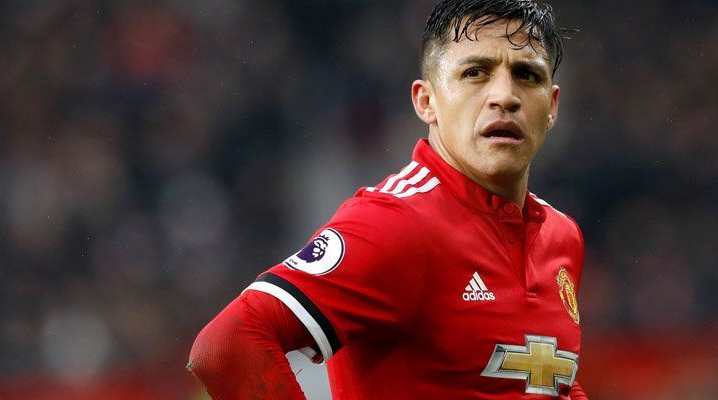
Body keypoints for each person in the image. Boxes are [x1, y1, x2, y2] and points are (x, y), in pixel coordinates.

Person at [187, 1, 588, 398]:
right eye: (475, 73)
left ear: (552, 106)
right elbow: (229, 343)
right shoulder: (396, 222)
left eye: (527, 75)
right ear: (426, 102)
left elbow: (545, 383)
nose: (505, 96)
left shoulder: (562, 236)